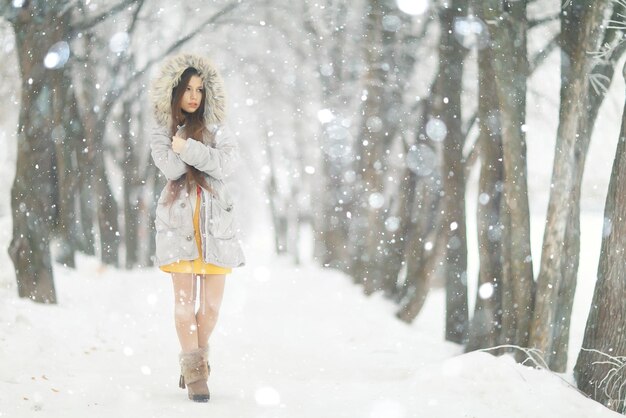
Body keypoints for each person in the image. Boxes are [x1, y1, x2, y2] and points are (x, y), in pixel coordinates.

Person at [149, 53, 245, 403]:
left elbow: (226, 165)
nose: (194, 96)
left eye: (200, 89)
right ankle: (196, 375)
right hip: (179, 224)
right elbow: (172, 170)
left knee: (212, 308)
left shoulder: (218, 130)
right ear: (174, 92)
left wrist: (187, 146)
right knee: (184, 303)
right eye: (187, 89)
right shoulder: (162, 132)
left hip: (216, 226)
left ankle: (195, 357)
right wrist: (191, 151)